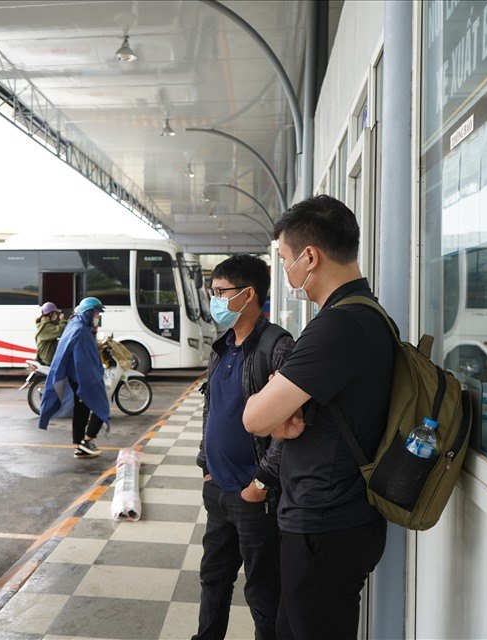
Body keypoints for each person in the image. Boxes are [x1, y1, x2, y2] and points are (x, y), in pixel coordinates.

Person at [243, 195, 395, 639]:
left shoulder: (338, 326)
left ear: (310, 257)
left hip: (324, 525)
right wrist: (281, 409)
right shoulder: (370, 315)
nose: (285, 271)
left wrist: (273, 402)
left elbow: (254, 417)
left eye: (285, 259)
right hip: (340, 518)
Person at [195, 255, 294, 640]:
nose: (215, 300)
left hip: (255, 497)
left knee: (263, 593)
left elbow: (293, 424)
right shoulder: (221, 347)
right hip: (218, 489)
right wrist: (206, 464)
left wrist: (262, 482)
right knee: (213, 580)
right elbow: (212, 407)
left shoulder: (277, 346)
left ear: (248, 294)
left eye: (221, 292)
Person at [38, 297, 109, 458]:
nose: (98, 316)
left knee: (81, 410)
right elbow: (82, 360)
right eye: (96, 313)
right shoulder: (80, 331)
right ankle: (87, 440)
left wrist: (94, 332)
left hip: (76, 377)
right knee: (101, 406)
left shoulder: (77, 325)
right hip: (83, 378)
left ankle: (79, 446)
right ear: (88, 313)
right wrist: (90, 381)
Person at [35, 301, 66, 366]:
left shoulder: (44, 325)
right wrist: (63, 320)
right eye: (55, 313)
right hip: (48, 361)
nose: (56, 315)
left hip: (46, 359)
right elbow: (61, 330)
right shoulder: (45, 327)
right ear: (50, 313)